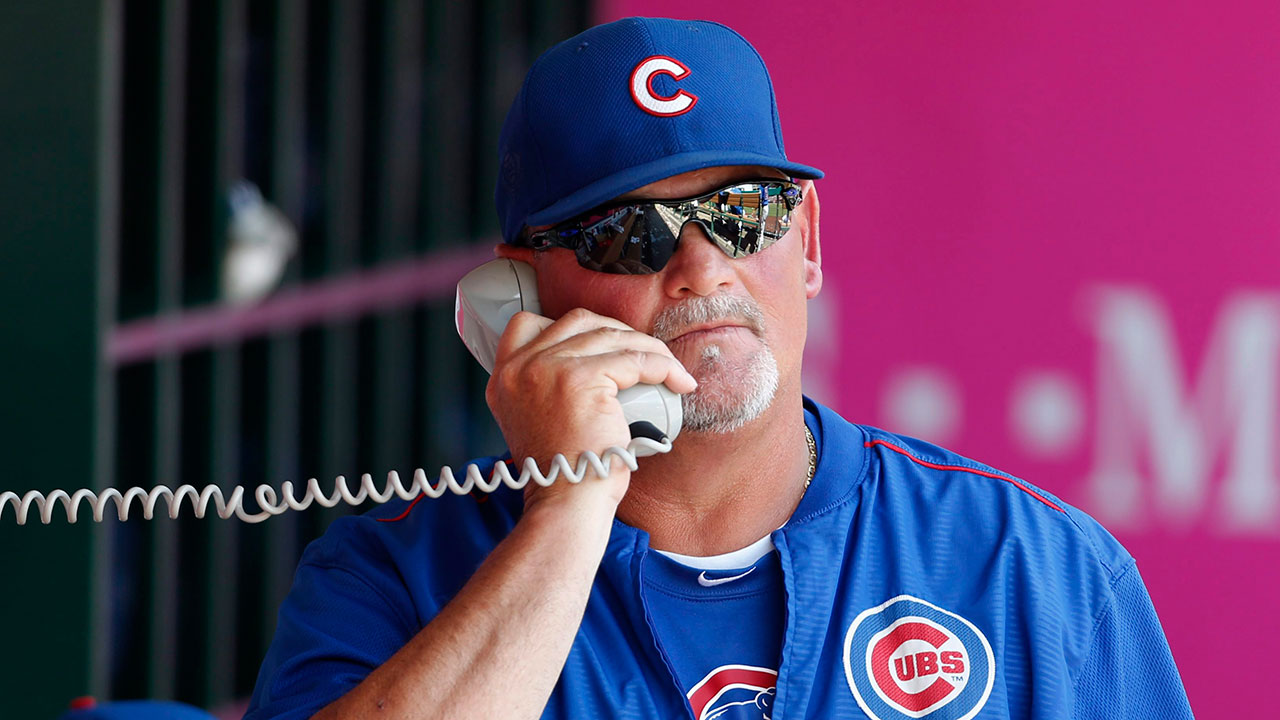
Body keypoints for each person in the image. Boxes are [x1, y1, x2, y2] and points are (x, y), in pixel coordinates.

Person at [245, 17, 1194, 720]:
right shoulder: (389, 581)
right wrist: (568, 510)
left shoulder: (1034, 567)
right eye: (630, 233)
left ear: (807, 240)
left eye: (743, 214)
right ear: (520, 298)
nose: (704, 270)